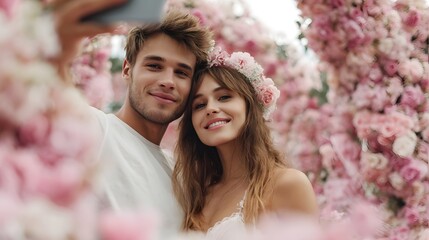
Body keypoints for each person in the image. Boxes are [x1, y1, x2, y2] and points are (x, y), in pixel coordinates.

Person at [49, 0, 214, 237]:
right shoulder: (93, 128)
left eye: (181, 72)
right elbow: (49, 83)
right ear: (127, 69)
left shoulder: (181, 175)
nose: (168, 80)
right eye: (155, 66)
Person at [172, 47, 318, 238]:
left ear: (250, 107)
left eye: (224, 97)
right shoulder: (195, 195)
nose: (210, 109)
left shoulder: (287, 184)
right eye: (199, 105)